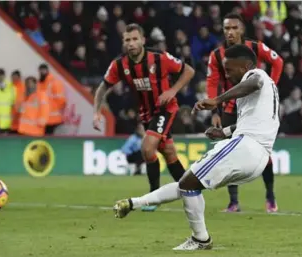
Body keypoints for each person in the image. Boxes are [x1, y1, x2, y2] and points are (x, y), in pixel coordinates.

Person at [113, 44, 280, 250]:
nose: (226, 74)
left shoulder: (256, 75)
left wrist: (217, 100)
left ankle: (201, 239)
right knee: (189, 184)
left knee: (189, 183)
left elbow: (253, 82)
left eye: (229, 69)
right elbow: (256, 122)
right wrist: (223, 133)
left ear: (246, 66)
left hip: (245, 148)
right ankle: (134, 203)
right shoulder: (269, 90)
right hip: (258, 157)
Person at [93, 23, 195, 212]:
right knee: (169, 152)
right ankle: (191, 190)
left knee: (147, 148)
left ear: (142, 40)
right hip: (147, 114)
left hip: (166, 109)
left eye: (134, 39)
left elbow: (188, 71)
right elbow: (103, 86)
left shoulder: (159, 58)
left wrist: (172, 91)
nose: (131, 43)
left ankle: (153, 196)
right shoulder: (120, 64)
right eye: (127, 40)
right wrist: (97, 111)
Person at [206, 13, 284, 213]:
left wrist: (271, 86)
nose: (230, 32)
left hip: (255, 108)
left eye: (234, 28)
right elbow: (212, 82)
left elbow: (278, 62)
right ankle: (233, 202)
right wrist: (215, 110)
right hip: (230, 108)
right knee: (228, 151)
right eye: (226, 28)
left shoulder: (255, 47)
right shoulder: (216, 55)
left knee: (264, 154)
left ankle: (270, 195)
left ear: (242, 30)